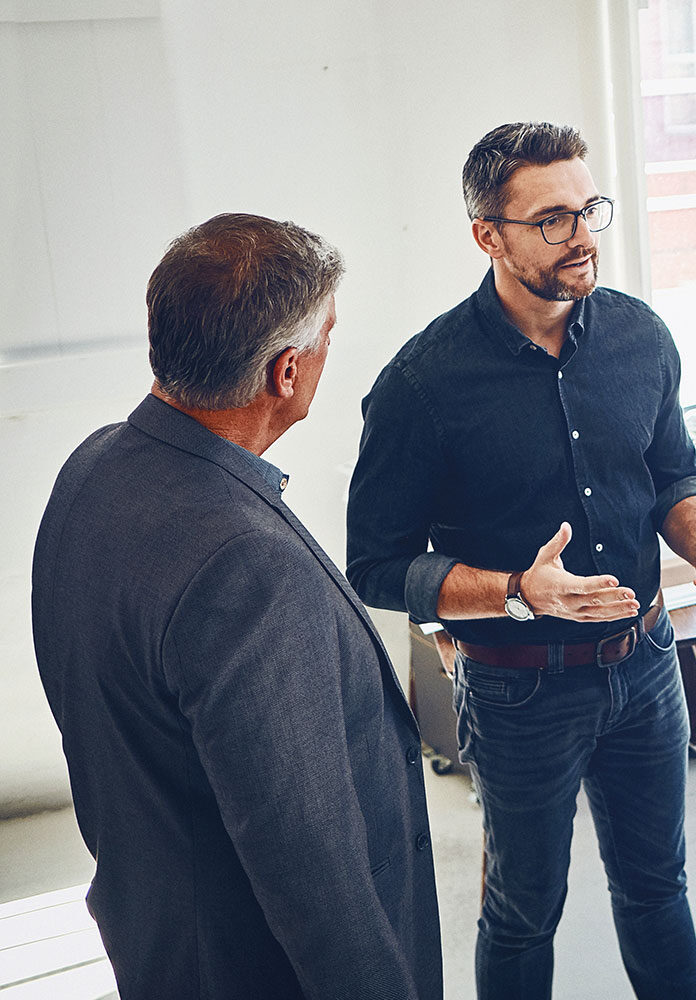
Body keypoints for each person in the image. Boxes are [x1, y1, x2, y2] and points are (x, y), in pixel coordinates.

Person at [346, 122, 696, 1000]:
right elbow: (377, 565)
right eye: (552, 219)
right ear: (487, 236)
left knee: (658, 889)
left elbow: (670, 471)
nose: (582, 236)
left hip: (646, 665)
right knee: (523, 910)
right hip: (516, 692)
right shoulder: (420, 385)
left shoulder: (640, 337)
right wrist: (512, 592)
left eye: (588, 210)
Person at [31, 214, 442, 999]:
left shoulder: (90, 469)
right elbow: (309, 862)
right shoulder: (248, 569)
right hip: (250, 969)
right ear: (287, 371)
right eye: (327, 337)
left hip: (154, 934)